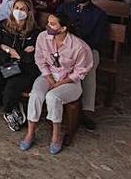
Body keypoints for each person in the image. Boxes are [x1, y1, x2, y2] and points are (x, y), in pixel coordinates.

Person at [20, 11, 93, 155]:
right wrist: (49, 79)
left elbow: (80, 72)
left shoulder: (79, 46)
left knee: (53, 97)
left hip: (70, 81)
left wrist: (60, 83)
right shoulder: (42, 37)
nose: (48, 26)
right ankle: (30, 132)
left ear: (63, 28)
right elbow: (40, 59)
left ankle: (56, 135)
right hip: (48, 76)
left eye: (52, 24)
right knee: (36, 94)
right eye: (48, 22)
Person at [58, 0, 108, 130]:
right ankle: (56, 100)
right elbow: (56, 27)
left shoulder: (98, 14)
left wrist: (79, 47)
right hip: (64, 47)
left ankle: (86, 110)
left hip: (87, 49)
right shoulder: (65, 8)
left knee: (89, 68)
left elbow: (99, 39)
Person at [0, 0, 40, 131]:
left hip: (26, 68)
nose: (19, 11)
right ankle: (12, 107)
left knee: (11, 87)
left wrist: (12, 50)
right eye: (16, 8)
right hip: (8, 65)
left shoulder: (35, 32)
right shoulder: (3, 25)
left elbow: (32, 56)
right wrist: (10, 51)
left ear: (29, 12)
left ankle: (9, 111)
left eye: (23, 9)